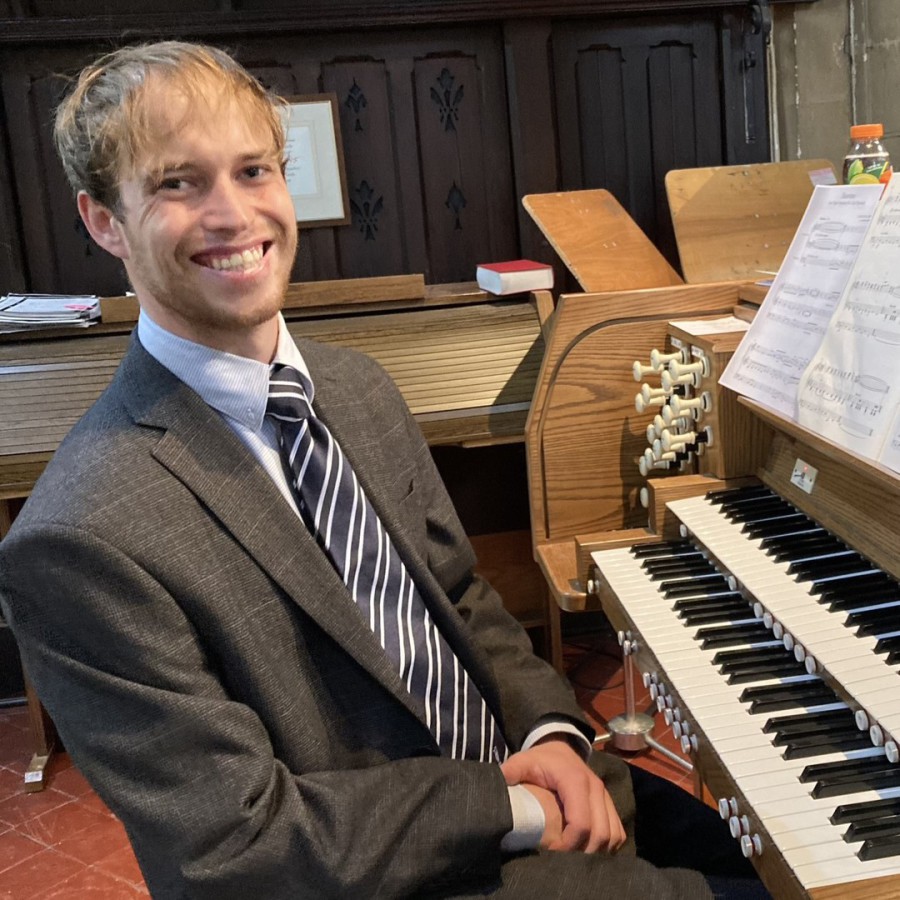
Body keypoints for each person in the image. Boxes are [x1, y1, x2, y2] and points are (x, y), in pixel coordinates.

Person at [0, 41, 769, 899]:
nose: (232, 214)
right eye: (178, 184)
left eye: (253, 171)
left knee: (788, 864)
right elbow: (233, 846)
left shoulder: (356, 388)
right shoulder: (78, 539)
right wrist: (511, 805)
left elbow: (461, 597)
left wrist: (553, 734)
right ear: (104, 220)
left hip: (530, 772)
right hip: (403, 870)